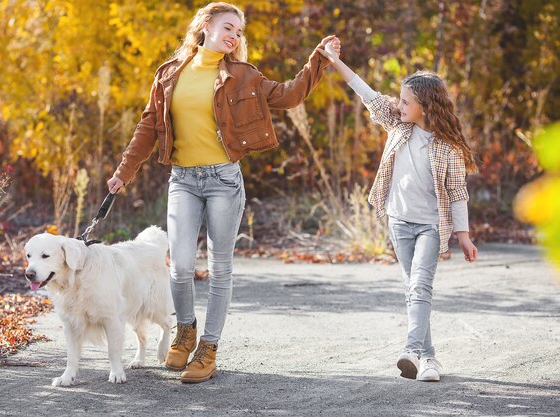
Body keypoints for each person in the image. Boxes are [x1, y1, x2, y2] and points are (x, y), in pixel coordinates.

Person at [107, 2, 334, 383]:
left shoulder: (243, 76)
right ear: (205, 25)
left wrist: (318, 60)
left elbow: (291, 95)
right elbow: (148, 127)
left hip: (224, 181)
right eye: (229, 27)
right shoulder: (169, 74)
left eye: (239, 32)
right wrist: (123, 173)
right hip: (183, 180)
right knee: (179, 266)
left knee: (219, 267)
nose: (234, 36)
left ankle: (208, 348)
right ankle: (186, 330)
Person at [319, 38, 478, 381]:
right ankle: (429, 359)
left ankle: (410, 349)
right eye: (401, 100)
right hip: (399, 222)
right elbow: (368, 94)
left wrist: (463, 235)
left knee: (420, 285)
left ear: (426, 106)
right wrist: (334, 61)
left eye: (406, 101)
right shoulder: (398, 125)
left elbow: (457, 191)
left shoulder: (447, 146)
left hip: (431, 226)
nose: (400, 104)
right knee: (413, 289)